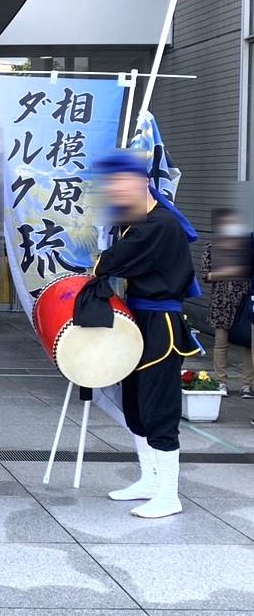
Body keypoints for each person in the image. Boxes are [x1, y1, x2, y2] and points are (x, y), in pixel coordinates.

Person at [91, 150, 202, 519]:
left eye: (122, 182)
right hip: (139, 318)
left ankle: (169, 495)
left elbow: (107, 263)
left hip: (160, 325)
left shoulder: (159, 225)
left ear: (142, 182)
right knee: (136, 406)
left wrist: (103, 254)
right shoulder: (136, 220)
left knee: (159, 409)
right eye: (112, 185)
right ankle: (149, 480)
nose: (115, 191)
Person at [202, 208, 254, 397]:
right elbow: (206, 275)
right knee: (220, 343)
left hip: (244, 302)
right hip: (222, 303)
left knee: (248, 343)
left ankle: (247, 384)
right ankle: (221, 381)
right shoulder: (212, 247)